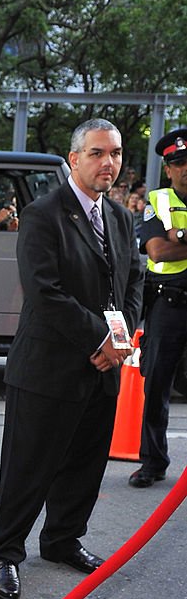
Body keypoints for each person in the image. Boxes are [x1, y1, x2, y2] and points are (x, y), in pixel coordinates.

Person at [0, 118, 143, 599]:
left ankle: (61, 540)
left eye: (114, 154)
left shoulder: (119, 217)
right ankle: (5, 552)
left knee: (85, 465)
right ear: (74, 159)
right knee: (28, 467)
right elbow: (44, 293)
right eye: (96, 153)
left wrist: (120, 340)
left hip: (102, 370)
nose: (107, 163)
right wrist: (100, 340)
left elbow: (132, 280)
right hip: (48, 369)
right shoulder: (43, 214)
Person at [129, 128, 187, 488]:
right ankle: (153, 462)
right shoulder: (158, 200)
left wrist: (178, 237)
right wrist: (171, 241)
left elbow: (171, 244)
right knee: (157, 388)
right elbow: (157, 251)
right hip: (169, 302)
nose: (185, 169)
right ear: (168, 170)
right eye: (179, 163)